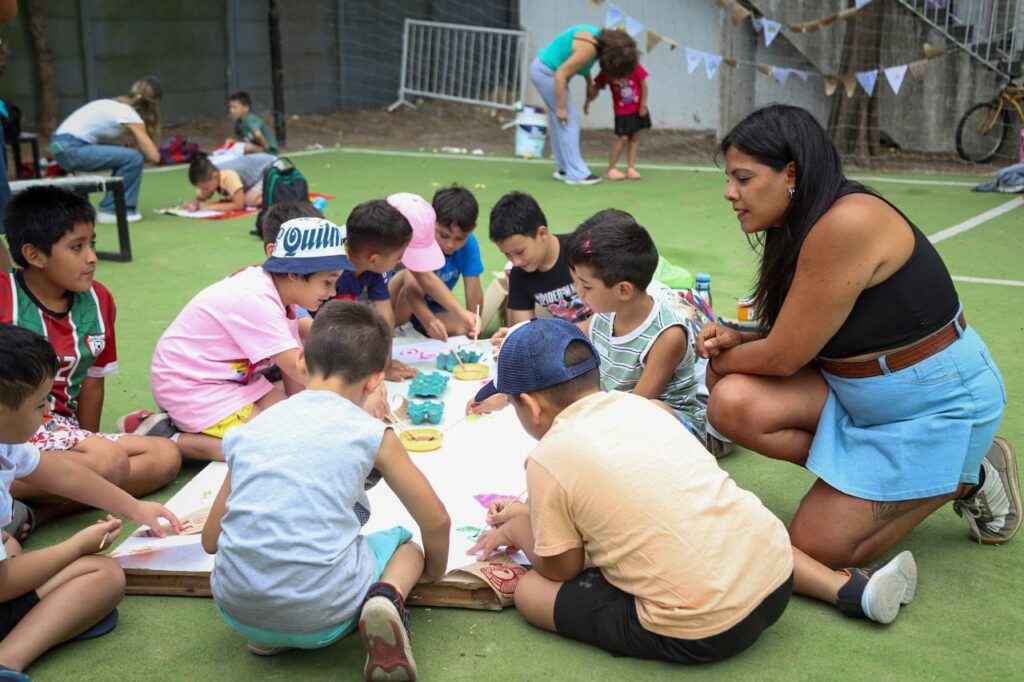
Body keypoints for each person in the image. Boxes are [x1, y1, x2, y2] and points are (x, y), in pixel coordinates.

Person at [469, 319, 919, 665]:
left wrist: (524, 530)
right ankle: (843, 590)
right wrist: (531, 513)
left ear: (529, 405)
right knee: (728, 525)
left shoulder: (548, 457)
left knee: (531, 591)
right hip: (776, 579)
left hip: (707, 629)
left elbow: (562, 568)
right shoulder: (642, 407)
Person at [699, 104, 1017, 568]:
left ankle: (967, 475)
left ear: (791, 172)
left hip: (936, 406)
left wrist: (724, 358)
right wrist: (739, 338)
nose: (730, 193)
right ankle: (869, 476)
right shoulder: (796, 222)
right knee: (730, 403)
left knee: (816, 546)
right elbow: (806, 333)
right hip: (861, 393)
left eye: (743, 179)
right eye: (729, 179)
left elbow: (784, 358)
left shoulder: (847, 221)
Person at [202, 301, 449, 681]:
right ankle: (387, 597)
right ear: (374, 380)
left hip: (238, 610)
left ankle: (269, 635)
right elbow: (436, 520)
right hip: (324, 614)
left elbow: (211, 540)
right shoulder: (370, 433)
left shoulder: (250, 430)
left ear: (301, 361)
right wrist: (433, 573)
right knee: (406, 545)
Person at [0, 323, 181, 678]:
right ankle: (8, 660)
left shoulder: (7, 442)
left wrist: (134, 507)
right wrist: (74, 547)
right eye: (39, 404)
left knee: (11, 544)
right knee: (103, 574)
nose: (47, 411)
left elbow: (66, 475)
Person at [0, 187, 180, 536]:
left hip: (61, 434)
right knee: (110, 462)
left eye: (92, 244)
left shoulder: (99, 299)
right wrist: (96, 455)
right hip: (14, 428)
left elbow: (93, 380)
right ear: (34, 255)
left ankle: (39, 511)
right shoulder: (4, 295)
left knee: (164, 457)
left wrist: (89, 437)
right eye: (76, 247)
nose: (92, 257)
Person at [148, 216, 351, 462]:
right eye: (327, 282)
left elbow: (297, 366)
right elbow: (299, 369)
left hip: (232, 382)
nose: (332, 292)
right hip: (191, 387)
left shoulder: (277, 291)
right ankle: (168, 437)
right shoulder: (255, 299)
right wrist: (355, 387)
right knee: (269, 445)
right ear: (295, 274)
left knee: (299, 424)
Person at [567, 209, 707, 442]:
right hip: (620, 416)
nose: (578, 292)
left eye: (586, 286)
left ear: (623, 290)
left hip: (677, 429)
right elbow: (564, 337)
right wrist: (519, 335)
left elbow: (638, 406)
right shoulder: (605, 314)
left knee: (652, 411)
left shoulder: (667, 334)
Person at [530, 26, 639, 185]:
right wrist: (561, 107)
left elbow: (579, 63)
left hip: (545, 70)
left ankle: (564, 169)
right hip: (547, 74)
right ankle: (577, 173)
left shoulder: (595, 38)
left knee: (560, 121)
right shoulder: (589, 48)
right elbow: (561, 74)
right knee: (569, 118)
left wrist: (589, 84)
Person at [49, 77, 163, 223]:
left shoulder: (111, 104)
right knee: (133, 158)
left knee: (128, 156)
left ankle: (110, 206)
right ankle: (112, 210)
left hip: (60, 147)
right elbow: (154, 157)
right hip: (72, 148)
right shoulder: (129, 114)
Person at [384, 193, 481, 342]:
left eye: (459, 238)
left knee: (464, 327)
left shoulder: (469, 245)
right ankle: (401, 328)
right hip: (399, 303)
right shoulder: (421, 239)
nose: (450, 245)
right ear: (432, 222)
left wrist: (473, 321)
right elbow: (416, 283)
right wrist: (428, 320)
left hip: (435, 306)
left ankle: (417, 328)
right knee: (407, 276)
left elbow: (473, 289)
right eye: (444, 235)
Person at [489, 191, 590, 325]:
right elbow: (523, 329)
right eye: (507, 254)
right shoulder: (518, 275)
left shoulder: (581, 250)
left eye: (520, 252)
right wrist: (513, 336)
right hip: (570, 339)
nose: (515, 262)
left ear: (542, 233)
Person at [587, 61, 650, 180]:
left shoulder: (633, 66)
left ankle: (631, 168)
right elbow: (597, 86)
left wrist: (643, 105)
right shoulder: (608, 71)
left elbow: (644, 85)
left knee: (635, 137)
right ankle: (611, 168)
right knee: (623, 137)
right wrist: (588, 99)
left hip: (636, 109)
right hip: (621, 111)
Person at [185, 156, 263, 212]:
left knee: (249, 200)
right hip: (255, 177)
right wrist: (195, 203)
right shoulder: (211, 175)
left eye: (205, 188)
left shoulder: (228, 176)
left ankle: (273, 198)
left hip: (268, 169)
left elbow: (239, 205)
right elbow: (201, 197)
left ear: (214, 176)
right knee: (244, 196)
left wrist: (210, 207)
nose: (203, 191)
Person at [225, 91, 279, 155]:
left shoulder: (251, 120)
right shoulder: (238, 122)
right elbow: (241, 138)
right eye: (230, 107)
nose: (231, 110)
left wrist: (265, 148)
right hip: (256, 150)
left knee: (248, 148)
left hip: (270, 152)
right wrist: (234, 142)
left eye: (235, 107)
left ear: (246, 108)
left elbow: (258, 134)